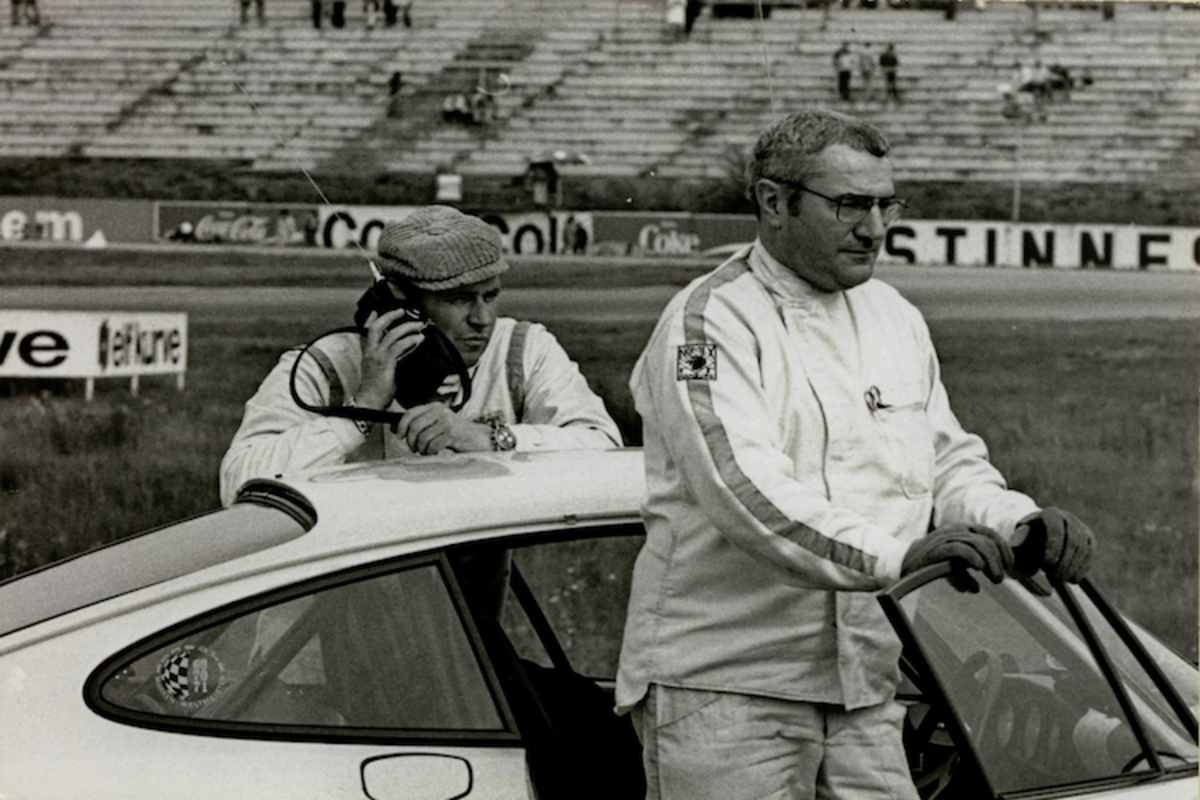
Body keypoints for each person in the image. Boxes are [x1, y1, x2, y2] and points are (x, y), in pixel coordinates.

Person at [615, 109, 1096, 800]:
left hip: (865, 685)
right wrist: (898, 558)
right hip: (726, 690)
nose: (875, 228)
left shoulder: (894, 316)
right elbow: (745, 493)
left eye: (884, 204)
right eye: (849, 205)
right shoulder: (707, 322)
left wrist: (1018, 522)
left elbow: (948, 460)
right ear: (772, 202)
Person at [219, 205, 622, 506]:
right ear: (403, 305)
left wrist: (486, 437)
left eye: (491, 296)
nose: (483, 319)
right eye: (459, 299)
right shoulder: (325, 366)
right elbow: (237, 484)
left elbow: (603, 449)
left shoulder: (521, 348)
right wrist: (361, 410)